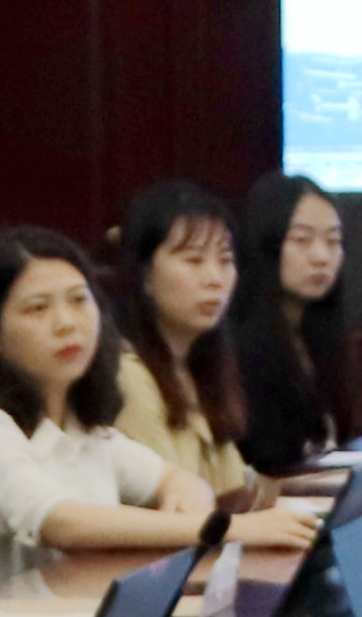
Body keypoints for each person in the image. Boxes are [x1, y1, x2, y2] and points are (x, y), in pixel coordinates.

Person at [0, 227, 308, 604]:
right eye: (37, 308)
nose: (67, 323)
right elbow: (63, 525)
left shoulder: (81, 425)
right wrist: (230, 528)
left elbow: (177, 480)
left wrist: (186, 498)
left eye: (78, 300)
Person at [103, 179, 265, 507]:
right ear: (145, 275)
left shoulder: (198, 369)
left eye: (225, 260)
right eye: (193, 260)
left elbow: (234, 493)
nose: (215, 279)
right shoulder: (128, 375)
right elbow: (179, 509)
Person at [224, 173, 357, 480]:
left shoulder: (320, 337)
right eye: (301, 240)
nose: (322, 257)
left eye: (333, 241)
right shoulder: (236, 345)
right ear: (265, 244)